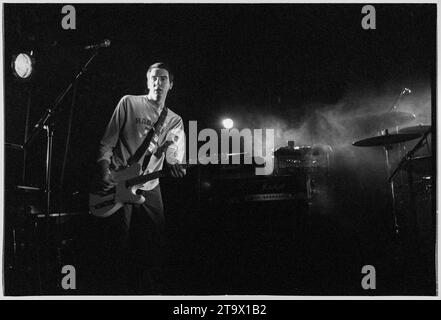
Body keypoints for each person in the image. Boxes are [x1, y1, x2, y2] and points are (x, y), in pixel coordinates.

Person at [92, 62, 186, 294]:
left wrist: (176, 166)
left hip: (150, 185)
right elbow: (107, 142)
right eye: (154, 78)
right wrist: (104, 171)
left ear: (171, 85)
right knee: (117, 243)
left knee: (156, 243)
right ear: (147, 82)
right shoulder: (129, 103)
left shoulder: (174, 120)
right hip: (118, 182)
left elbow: (175, 157)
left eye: (163, 78)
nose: (158, 82)